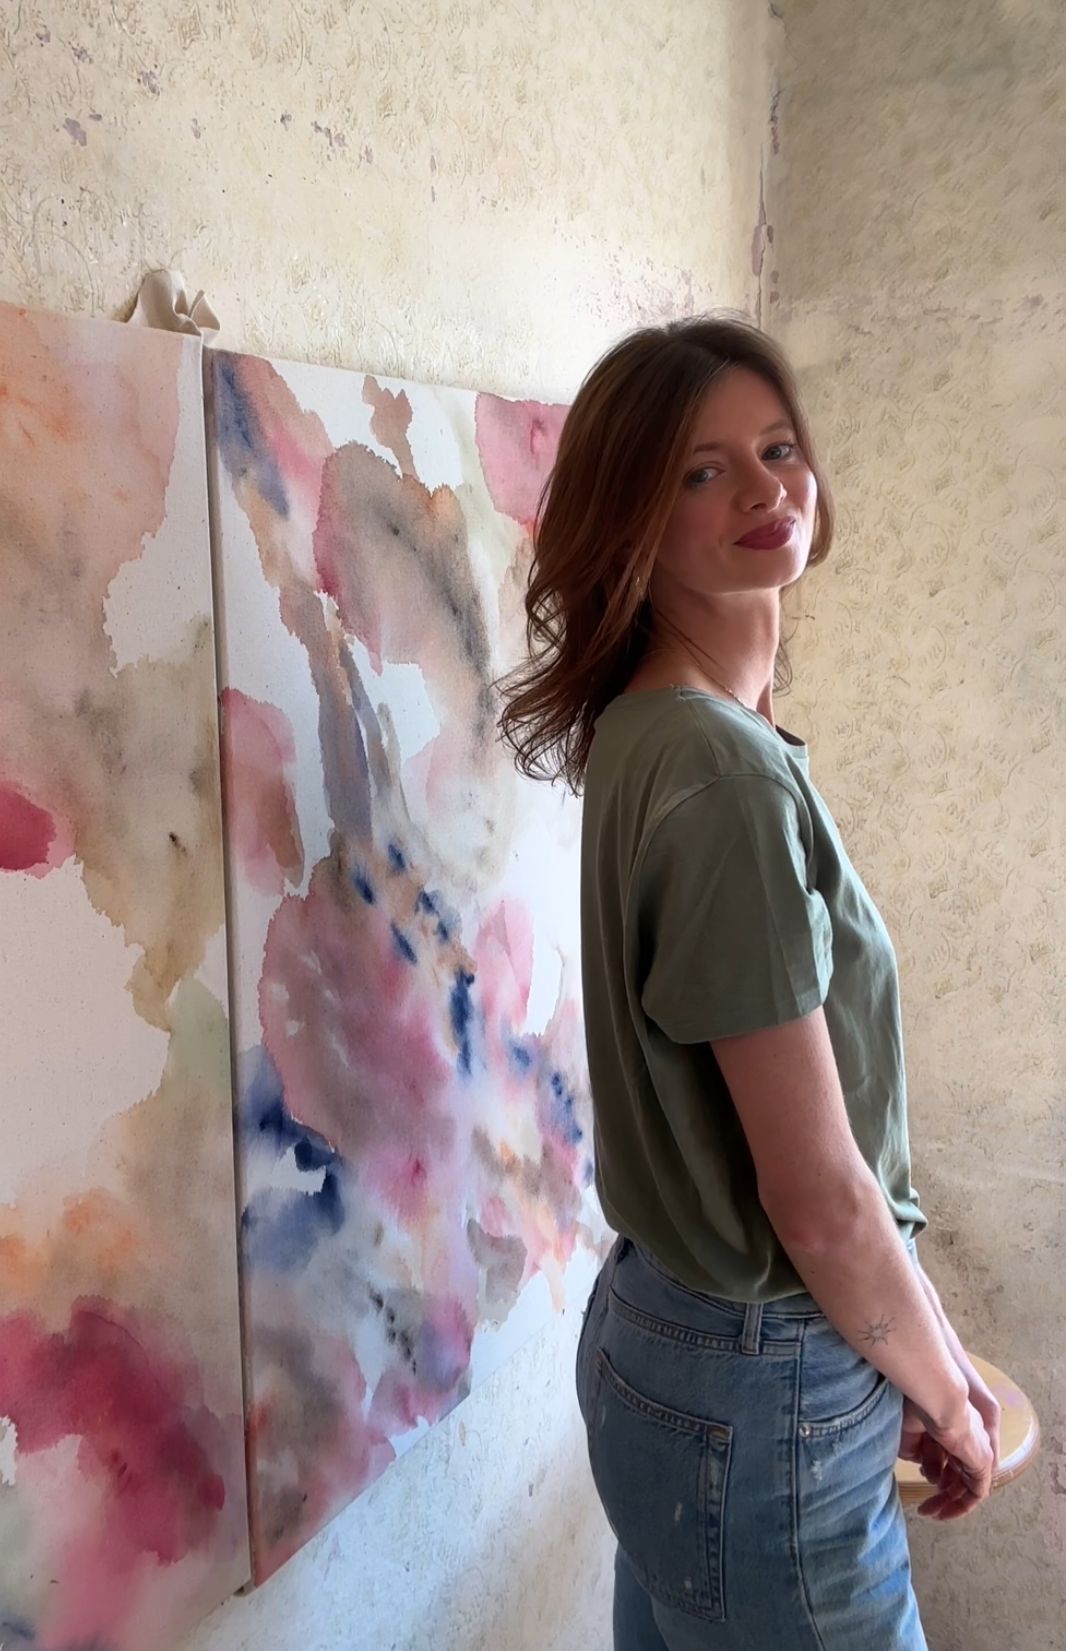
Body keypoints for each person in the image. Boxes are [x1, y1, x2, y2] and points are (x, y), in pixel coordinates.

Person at [499, 316, 1001, 1650]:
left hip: (668, 1341)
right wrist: (944, 1393)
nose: (766, 489)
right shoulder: (719, 776)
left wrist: (921, 1346)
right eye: (701, 470)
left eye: (777, 449)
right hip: (761, 1378)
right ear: (632, 519)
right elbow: (819, 1199)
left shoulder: (653, 727)